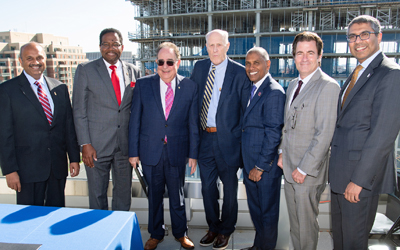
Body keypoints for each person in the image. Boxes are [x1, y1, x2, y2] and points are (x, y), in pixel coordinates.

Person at [329, 15, 400, 250]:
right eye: (352, 36)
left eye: (364, 34)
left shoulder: (390, 74)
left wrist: (358, 181)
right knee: (339, 239)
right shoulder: (357, 72)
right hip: (341, 177)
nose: (358, 40)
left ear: (379, 37)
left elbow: (382, 135)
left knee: (353, 243)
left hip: (358, 181)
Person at [128, 42, 199, 250]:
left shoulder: (189, 86)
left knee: (177, 196)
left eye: (169, 62)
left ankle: (180, 233)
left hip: (177, 151)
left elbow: (193, 123)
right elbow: (135, 121)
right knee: (155, 196)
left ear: (178, 62)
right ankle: (156, 233)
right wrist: (133, 152)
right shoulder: (143, 85)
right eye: (160, 62)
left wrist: (193, 154)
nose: (165, 66)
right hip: (150, 151)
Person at [277, 31, 340, 250]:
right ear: (293, 56)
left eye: (310, 53)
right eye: (300, 53)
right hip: (289, 166)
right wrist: (282, 153)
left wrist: (303, 169)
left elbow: (324, 134)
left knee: (306, 226)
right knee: (295, 224)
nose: (304, 58)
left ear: (320, 56)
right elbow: (288, 125)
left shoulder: (328, 86)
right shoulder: (294, 84)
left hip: (307, 172)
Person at [190, 29, 251, 250]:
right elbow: (192, 103)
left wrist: (242, 145)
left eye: (219, 45)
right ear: (206, 46)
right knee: (207, 188)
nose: (214, 49)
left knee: (229, 190)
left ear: (227, 46)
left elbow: (246, 112)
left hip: (229, 142)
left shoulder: (240, 72)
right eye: (210, 45)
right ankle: (213, 227)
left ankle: (226, 230)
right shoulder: (199, 68)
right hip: (205, 139)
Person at [0, 42, 80, 206]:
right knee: (28, 219)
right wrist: (9, 170)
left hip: (57, 168)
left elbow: (68, 127)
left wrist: (73, 158)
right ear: (20, 60)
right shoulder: (7, 90)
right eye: (29, 58)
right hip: (26, 171)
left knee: (55, 213)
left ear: (45, 59)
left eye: (39, 57)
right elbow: (4, 134)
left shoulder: (60, 88)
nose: (35, 62)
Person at [73, 28, 141, 211]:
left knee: (123, 194)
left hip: (124, 146)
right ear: (100, 47)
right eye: (106, 44)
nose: (110, 47)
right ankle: (98, 233)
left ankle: (119, 231)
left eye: (115, 44)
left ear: (122, 46)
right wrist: (85, 143)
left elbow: (137, 109)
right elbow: (79, 110)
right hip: (95, 146)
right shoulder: (85, 70)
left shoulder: (134, 71)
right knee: (97, 194)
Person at [241, 47, 285, 250]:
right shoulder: (252, 88)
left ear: (267, 64)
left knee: (267, 213)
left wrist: (259, 167)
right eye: (248, 63)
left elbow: (274, 133)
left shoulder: (273, 92)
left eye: (256, 62)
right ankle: (258, 247)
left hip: (263, 167)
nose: (251, 67)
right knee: (257, 210)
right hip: (251, 164)